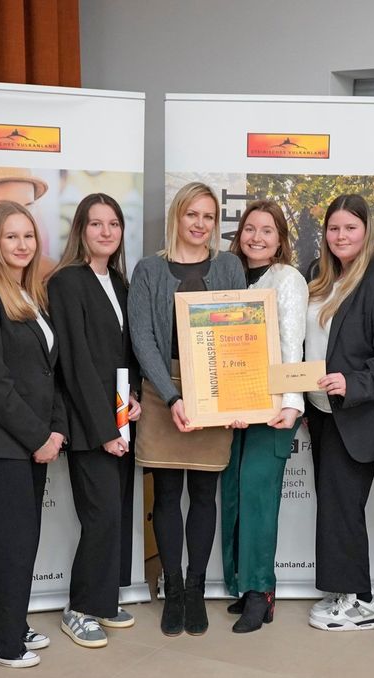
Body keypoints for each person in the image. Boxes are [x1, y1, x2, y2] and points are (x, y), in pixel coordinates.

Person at [129, 182, 246, 636]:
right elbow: (142, 338)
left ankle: (195, 588)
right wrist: (172, 396)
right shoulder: (148, 269)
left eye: (208, 216)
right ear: (176, 216)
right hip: (162, 390)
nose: (200, 224)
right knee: (165, 496)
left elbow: (241, 332)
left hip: (214, 388)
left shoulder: (229, 266)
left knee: (203, 493)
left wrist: (235, 395)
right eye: (191, 214)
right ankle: (172, 589)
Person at [0, 200, 67, 668]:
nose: (22, 245)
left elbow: (48, 372)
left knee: (23, 539)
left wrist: (56, 428)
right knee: (11, 541)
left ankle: (11, 622)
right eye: (11, 236)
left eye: (28, 236)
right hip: (2, 441)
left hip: (33, 439)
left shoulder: (32, 295)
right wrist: (37, 437)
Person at [304, 194, 374, 632]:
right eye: (334, 228)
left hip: (356, 416)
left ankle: (362, 601)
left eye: (350, 227)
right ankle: (345, 591)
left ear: (367, 231)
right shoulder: (319, 274)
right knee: (334, 506)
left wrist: (353, 383)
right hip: (321, 411)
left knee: (343, 506)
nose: (341, 236)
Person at [47, 194, 141, 646]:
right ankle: (79, 608)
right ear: (81, 230)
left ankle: (102, 600)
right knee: (100, 516)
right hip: (90, 425)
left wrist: (134, 397)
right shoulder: (67, 282)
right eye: (96, 224)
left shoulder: (119, 282)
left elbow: (126, 352)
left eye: (114, 224)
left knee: (114, 514)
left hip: (120, 417)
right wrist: (104, 430)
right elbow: (76, 364)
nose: (106, 232)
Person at [220, 201, 308, 633]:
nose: (256, 237)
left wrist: (291, 403)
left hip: (272, 409)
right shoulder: (230, 277)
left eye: (267, 230)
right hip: (231, 407)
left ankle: (261, 592)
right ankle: (242, 583)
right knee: (234, 495)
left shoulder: (286, 278)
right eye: (250, 228)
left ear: (280, 239)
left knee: (258, 497)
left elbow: (292, 343)